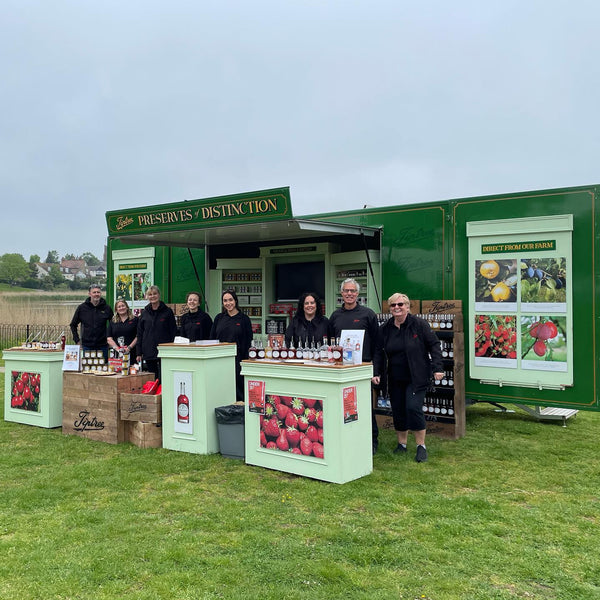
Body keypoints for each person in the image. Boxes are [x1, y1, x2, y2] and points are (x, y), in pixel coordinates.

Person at [372, 292, 443, 463]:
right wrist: (376, 372)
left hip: (416, 377)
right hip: (394, 378)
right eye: (393, 305)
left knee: (413, 408)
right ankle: (402, 444)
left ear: (407, 307)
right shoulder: (385, 328)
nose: (397, 308)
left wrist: (438, 368)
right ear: (389, 308)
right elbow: (378, 352)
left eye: (400, 304)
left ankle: (421, 446)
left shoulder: (419, 325)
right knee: (398, 410)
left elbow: (434, 345)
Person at [328, 278, 381, 454]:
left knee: (365, 406)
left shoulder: (368, 314)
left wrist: (375, 369)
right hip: (341, 369)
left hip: (362, 367)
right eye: (346, 291)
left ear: (358, 294)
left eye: (353, 291)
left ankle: (372, 441)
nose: (349, 294)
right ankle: (347, 438)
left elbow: (377, 345)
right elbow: (331, 343)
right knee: (344, 405)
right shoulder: (335, 316)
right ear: (341, 293)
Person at [210, 289, 253, 403]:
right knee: (222, 384)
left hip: (238, 358)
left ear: (235, 301)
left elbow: (248, 340)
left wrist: (245, 360)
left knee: (238, 385)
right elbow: (212, 338)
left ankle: (239, 409)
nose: (228, 303)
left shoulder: (244, 319)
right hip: (220, 358)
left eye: (230, 300)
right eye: (225, 301)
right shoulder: (219, 318)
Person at [136, 285, 177, 380]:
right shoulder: (144, 313)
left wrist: (172, 348)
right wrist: (139, 352)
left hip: (164, 350)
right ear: (147, 296)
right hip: (149, 349)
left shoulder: (167, 312)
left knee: (165, 377)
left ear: (159, 295)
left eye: (155, 294)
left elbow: (173, 331)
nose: (152, 296)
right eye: (150, 294)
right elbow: (140, 333)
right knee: (152, 377)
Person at [69, 284, 114, 360]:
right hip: (87, 346)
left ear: (101, 293)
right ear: (89, 294)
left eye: (98, 292)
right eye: (94, 292)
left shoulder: (107, 308)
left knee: (103, 369)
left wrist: (111, 340)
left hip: (103, 345)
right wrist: (77, 340)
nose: (96, 294)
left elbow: (113, 325)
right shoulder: (82, 308)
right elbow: (73, 325)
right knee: (88, 369)